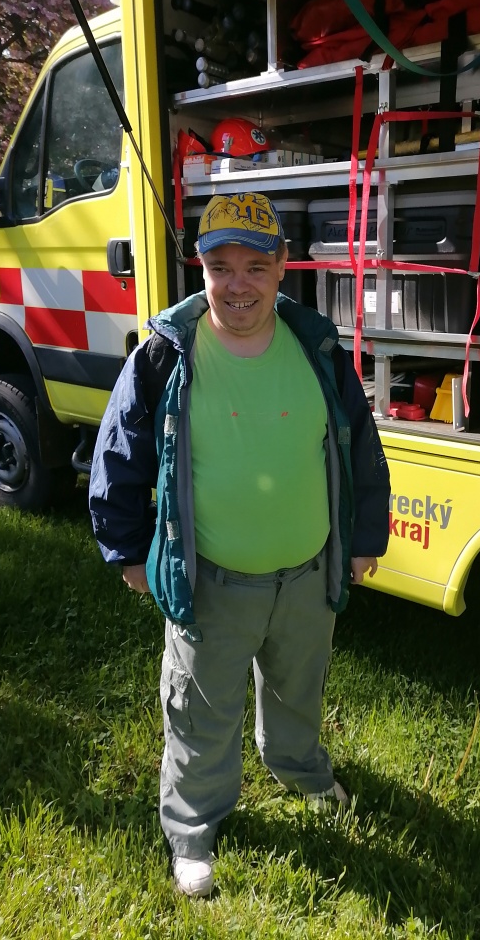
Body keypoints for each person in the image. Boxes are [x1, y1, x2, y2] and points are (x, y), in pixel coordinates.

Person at [89, 191, 391, 898]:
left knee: (298, 688)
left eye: (255, 266)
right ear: (199, 267)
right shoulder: (166, 354)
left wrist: (362, 537)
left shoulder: (316, 346)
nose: (238, 285)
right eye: (220, 266)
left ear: (283, 265)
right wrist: (128, 551)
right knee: (202, 711)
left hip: (308, 575)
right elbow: (119, 455)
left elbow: (358, 446)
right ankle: (193, 827)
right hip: (213, 582)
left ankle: (300, 770)